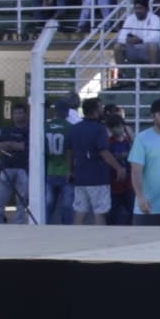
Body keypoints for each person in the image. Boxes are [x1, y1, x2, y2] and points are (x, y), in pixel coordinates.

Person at [63, 92, 116, 224]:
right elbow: (103, 152)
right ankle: (99, 240)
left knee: (80, 210)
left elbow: (69, 151)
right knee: (100, 212)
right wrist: (118, 167)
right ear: (94, 111)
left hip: (80, 177)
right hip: (98, 178)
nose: (103, 109)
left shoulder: (74, 129)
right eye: (100, 107)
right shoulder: (99, 129)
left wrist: (70, 171)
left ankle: (76, 238)